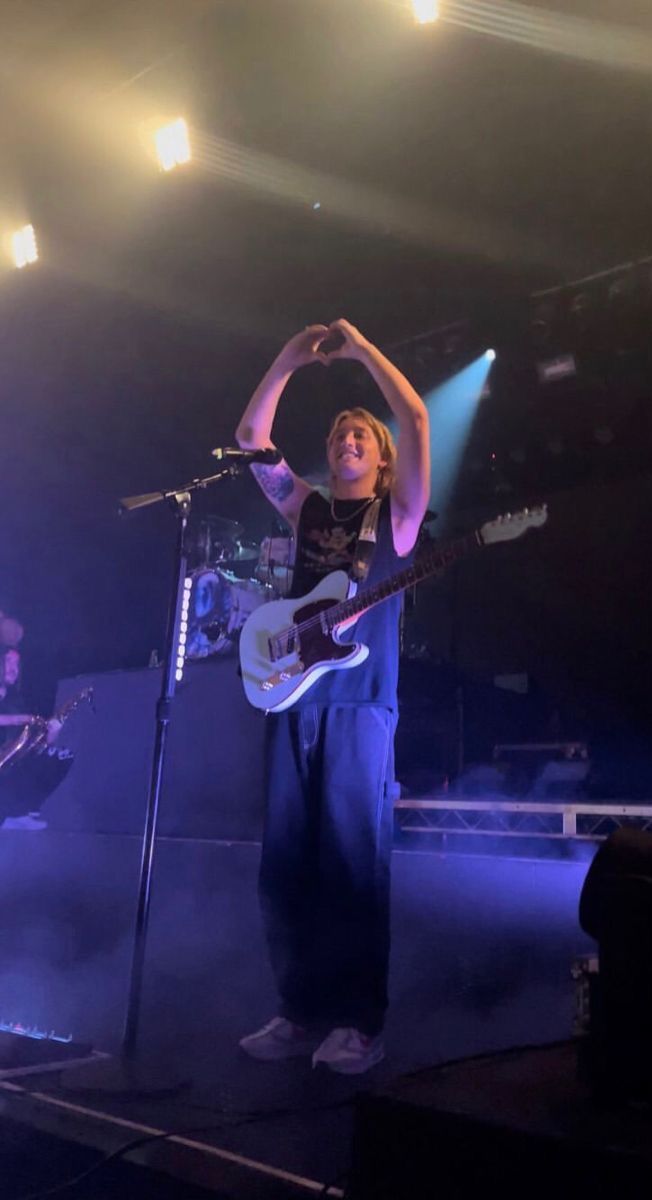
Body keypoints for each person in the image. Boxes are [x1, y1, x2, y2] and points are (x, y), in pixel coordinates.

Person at [235, 318, 430, 1074]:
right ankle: (298, 1007)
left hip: (359, 707)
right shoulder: (307, 509)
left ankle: (358, 1021)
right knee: (285, 862)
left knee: (352, 863)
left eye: (361, 436)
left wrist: (361, 353)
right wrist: (289, 356)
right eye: (340, 433)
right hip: (291, 701)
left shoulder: (398, 520)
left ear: (379, 460)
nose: (348, 439)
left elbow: (412, 417)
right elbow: (252, 437)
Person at [0, 647, 69, 830]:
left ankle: (16, 812)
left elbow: (35, 743)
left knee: (60, 757)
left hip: (8, 762)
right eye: (8, 661)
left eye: (17, 664)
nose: (14, 668)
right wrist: (18, 719)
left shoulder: (16, 701)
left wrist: (53, 730)